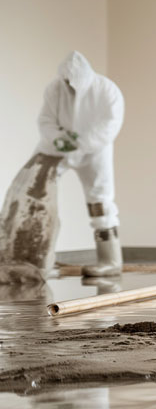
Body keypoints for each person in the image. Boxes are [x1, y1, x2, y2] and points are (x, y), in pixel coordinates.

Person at [35, 52, 125, 278]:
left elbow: (110, 124)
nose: (68, 85)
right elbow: (46, 120)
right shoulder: (54, 89)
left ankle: (110, 260)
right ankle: (37, 257)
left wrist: (81, 144)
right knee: (36, 193)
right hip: (58, 148)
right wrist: (58, 139)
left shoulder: (106, 90)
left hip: (95, 150)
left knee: (99, 202)